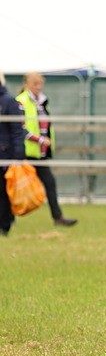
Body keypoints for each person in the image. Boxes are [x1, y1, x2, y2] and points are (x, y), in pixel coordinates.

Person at [15, 73, 77, 227]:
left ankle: (58, 217)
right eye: (35, 83)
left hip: (40, 154)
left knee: (50, 182)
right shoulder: (21, 102)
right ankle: (7, 219)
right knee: (15, 187)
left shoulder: (41, 102)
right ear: (27, 84)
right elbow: (19, 129)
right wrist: (40, 140)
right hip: (25, 153)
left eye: (40, 83)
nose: (38, 87)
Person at [0, 73, 25, 236]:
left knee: (3, 192)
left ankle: (4, 225)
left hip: (4, 155)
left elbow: (17, 130)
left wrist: (17, 156)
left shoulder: (8, 101)